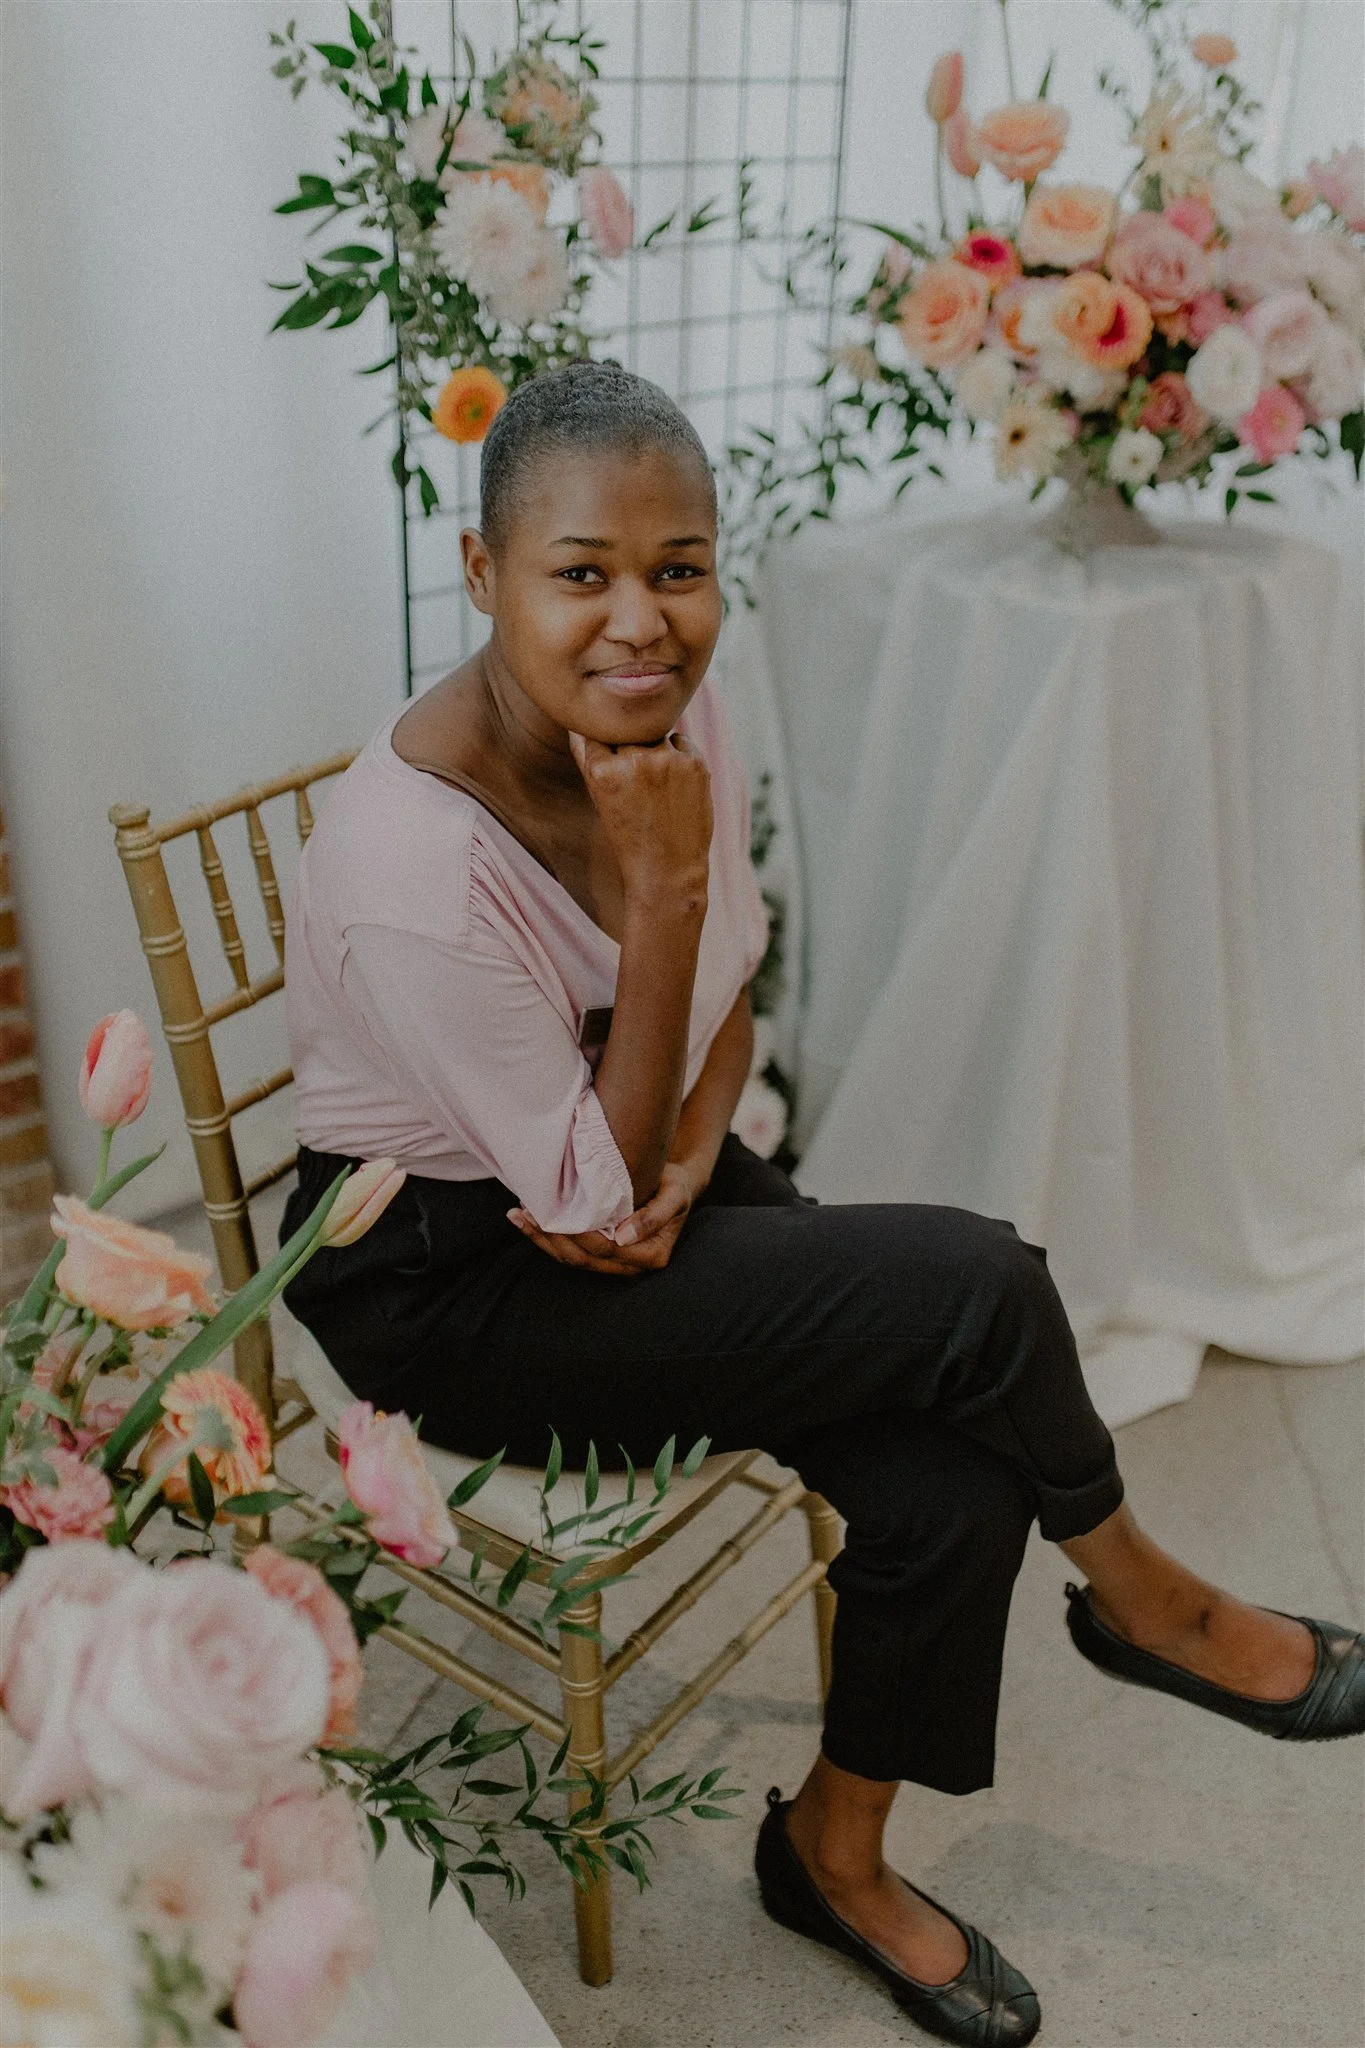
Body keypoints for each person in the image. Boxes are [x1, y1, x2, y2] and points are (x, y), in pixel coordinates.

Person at [281, 362, 1364, 2047]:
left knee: (946, 1476)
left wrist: (707, 1135)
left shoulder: (657, 698)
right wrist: (667, 896)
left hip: (627, 1159)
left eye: (680, 566)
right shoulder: (407, 877)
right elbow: (583, 1185)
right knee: (984, 1289)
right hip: (444, 1284)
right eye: (581, 572)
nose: (642, 620)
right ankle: (1153, 1602)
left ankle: (829, 1858)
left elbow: (730, 972)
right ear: (483, 575)